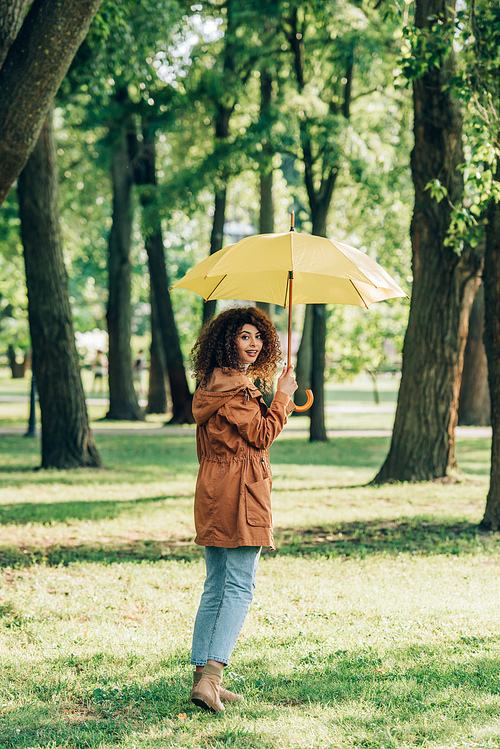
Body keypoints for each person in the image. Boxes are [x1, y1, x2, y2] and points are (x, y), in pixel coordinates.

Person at [188, 306, 298, 713]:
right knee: (238, 586)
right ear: (227, 341)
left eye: (258, 338)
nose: (253, 345)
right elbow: (262, 434)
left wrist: (271, 393)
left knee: (216, 584)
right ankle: (212, 677)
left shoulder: (211, 384)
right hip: (242, 490)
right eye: (244, 337)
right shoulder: (237, 388)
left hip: (213, 487)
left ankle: (203, 678)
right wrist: (283, 396)